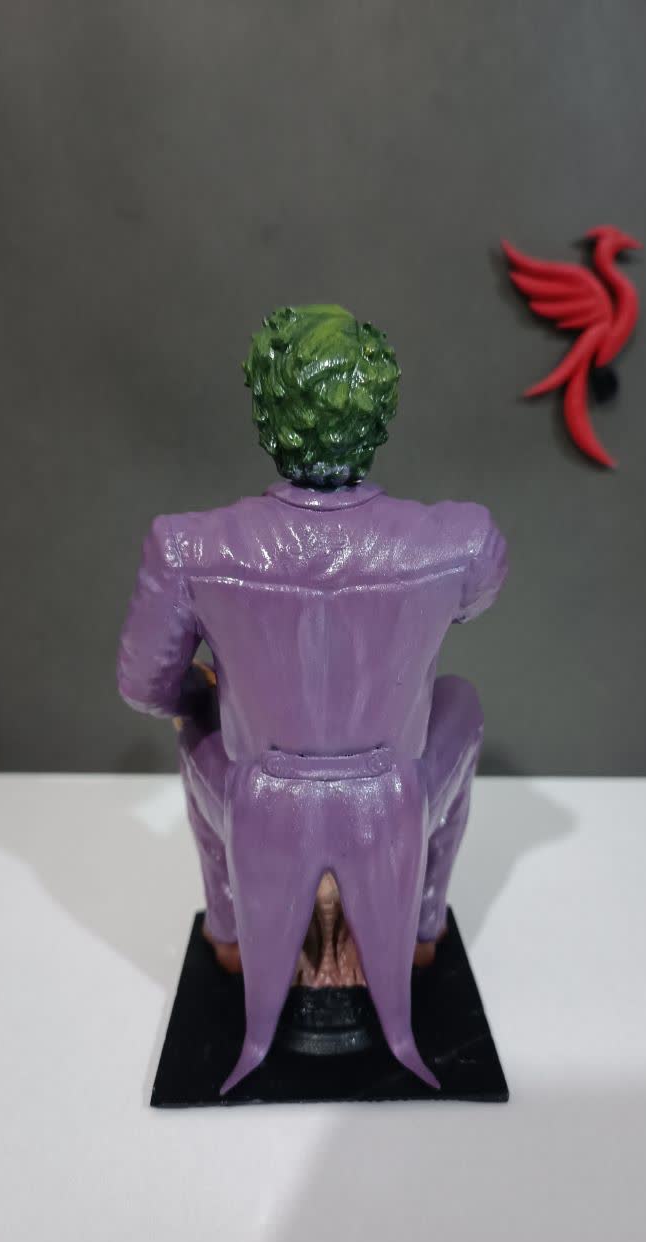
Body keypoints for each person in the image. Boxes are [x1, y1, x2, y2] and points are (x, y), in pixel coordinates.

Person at [118, 305, 506, 1093]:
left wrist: (209, 691)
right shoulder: (460, 538)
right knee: (462, 704)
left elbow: (145, 685)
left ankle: (229, 930)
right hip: (391, 795)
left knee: (192, 721)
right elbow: (472, 599)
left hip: (259, 795)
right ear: (381, 413)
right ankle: (424, 921)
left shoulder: (187, 544)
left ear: (266, 414)